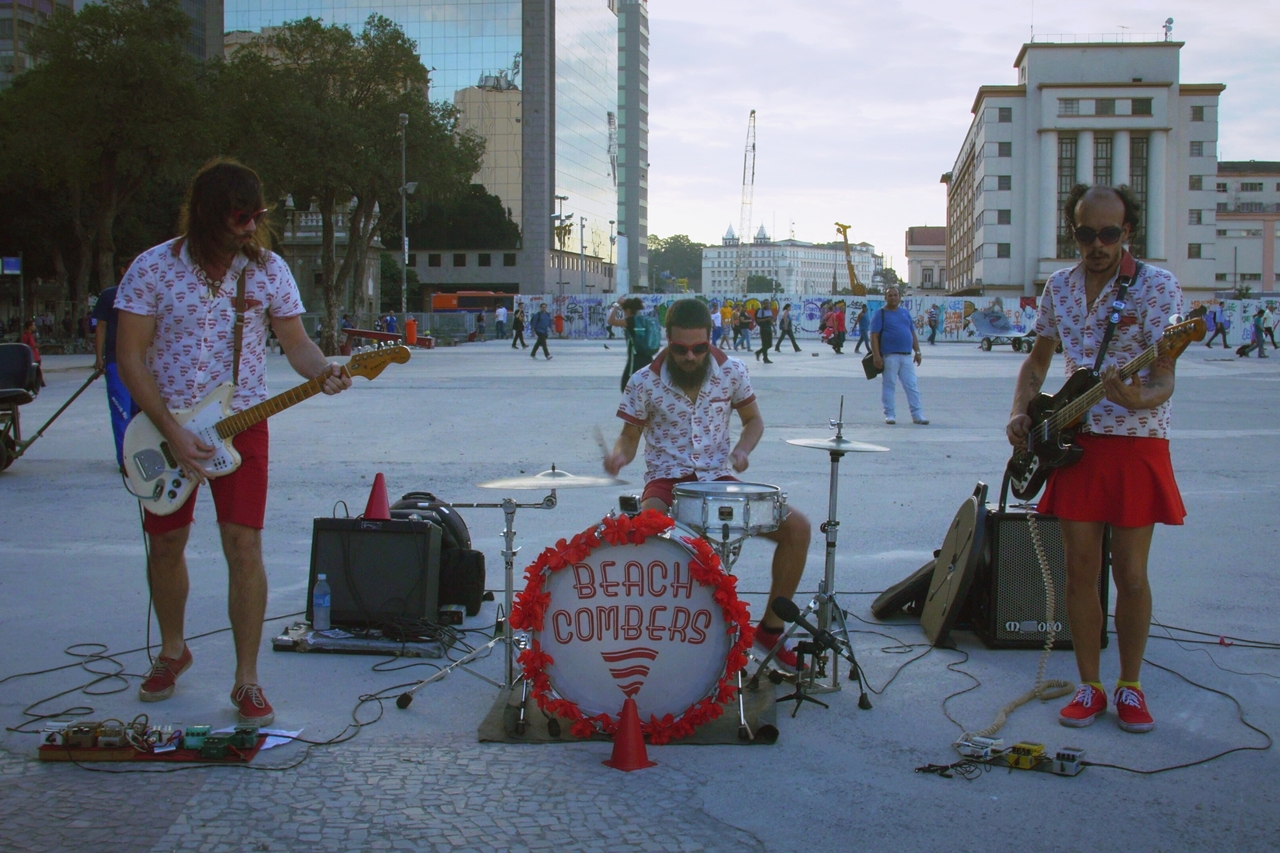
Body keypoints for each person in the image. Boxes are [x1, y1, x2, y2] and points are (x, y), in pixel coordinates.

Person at [115, 159, 352, 726]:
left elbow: (297, 345)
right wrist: (171, 428)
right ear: (205, 214)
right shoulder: (151, 268)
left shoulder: (269, 271)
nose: (250, 228)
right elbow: (129, 356)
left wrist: (324, 370)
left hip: (243, 422)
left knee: (243, 544)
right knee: (166, 543)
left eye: (257, 216)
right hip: (163, 424)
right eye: (239, 217)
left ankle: (247, 680)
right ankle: (173, 650)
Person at [1008, 184, 1185, 735]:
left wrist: (1138, 397)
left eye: (1109, 233)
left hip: (1134, 441)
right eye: (1086, 234)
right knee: (1080, 572)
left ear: (1128, 231)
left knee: (1130, 573)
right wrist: (1020, 412)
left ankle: (1130, 687)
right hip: (1069, 439)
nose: (1097, 245)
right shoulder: (1059, 287)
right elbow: (1038, 361)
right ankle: (1089, 684)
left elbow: (1164, 378)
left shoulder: (1156, 287)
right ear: (1074, 233)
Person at [602, 299, 812, 671]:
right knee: (648, 536)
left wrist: (743, 449)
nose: (689, 357)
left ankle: (769, 630)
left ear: (710, 338)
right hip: (667, 480)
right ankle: (654, 640)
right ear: (668, 341)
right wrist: (620, 456)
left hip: (718, 478)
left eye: (699, 348)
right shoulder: (643, 382)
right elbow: (629, 437)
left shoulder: (732, 371)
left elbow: (754, 421)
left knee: (798, 528)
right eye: (680, 349)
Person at [92, 281, 136, 470]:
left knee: (139, 414)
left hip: (141, 362)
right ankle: (125, 459)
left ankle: (140, 454)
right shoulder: (110, 295)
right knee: (121, 412)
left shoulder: (148, 292)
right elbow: (101, 327)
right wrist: (99, 357)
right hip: (115, 361)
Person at [871, 286, 927, 424]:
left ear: (900, 297)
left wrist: (918, 351)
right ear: (885, 298)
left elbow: (912, 333)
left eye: (895, 295)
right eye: (890, 295)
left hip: (906, 356)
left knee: (912, 386)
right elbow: (874, 336)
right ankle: (890, 414)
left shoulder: (905, 313)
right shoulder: (880, 314)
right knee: (889, 385)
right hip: (890, 356)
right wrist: (876, 356)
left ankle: (917, 415)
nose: (893, 297)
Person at [608, 297, 657, 391]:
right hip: (648, 358)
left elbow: (611, 321)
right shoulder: (643, 320)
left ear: (629, 310)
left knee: (626, 387)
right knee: (645, 387)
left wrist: (616, 306)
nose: (623, 313)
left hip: (635, 360)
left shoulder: (631, 321)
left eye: (624, 310)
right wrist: (624, 305)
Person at [21, 319, 44, 387]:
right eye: (33, 325)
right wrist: (34, 346)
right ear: (29, 326)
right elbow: (25, 347)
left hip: (36, 355)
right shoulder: (25, 335)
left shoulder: (31, 335)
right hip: (32, 356)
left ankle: (39, 383)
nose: (34, 326)